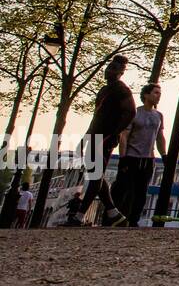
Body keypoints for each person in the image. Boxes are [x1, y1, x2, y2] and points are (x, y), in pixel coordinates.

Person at [67, 55, 136, 227]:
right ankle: (114, 213)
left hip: (106, 136)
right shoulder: (104, 90)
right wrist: (85, 137)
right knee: (95, 173)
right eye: (108, 67)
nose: (108, 71)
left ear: (121, 72)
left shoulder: (122, 90)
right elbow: (97, 116)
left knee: (95, 174)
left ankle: (79, 216)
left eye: (113, 68)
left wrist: (115, 133)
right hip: (96, 135)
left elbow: (131, 112)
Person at [111, 82, 166, 227]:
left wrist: (164, 154)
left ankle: (134, 220)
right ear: (146, 95)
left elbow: (160, 137)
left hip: (148, 159)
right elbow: (124, 136)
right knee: (124, 189)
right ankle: (116, 218)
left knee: (142, 192)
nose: (158, 96)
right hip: (132, 157)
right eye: (155, 93)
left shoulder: (159, 116)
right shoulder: (135, 113)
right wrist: (123, 157)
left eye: (159, 93)